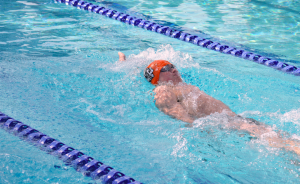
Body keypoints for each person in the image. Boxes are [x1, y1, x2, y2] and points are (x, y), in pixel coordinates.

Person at [118, 52, 300, 155]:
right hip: (225, 125)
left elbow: (142, 70)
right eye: (166, 68)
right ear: (158, 77)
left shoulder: (179, 86)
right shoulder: (163, 90)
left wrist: (124, 62)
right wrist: (201, 129)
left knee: (284, 140)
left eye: (172, 65)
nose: (173, 69)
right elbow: (173, 111)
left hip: (234, 120)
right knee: (286, 145)